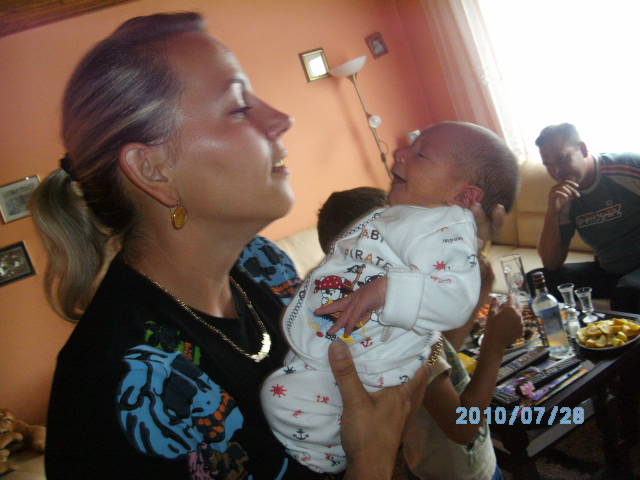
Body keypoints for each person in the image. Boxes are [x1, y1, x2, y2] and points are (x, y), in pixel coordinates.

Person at [31, 12, 433, 480]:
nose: (283, 119)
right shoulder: (118, 386)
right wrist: (372, 460)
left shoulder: (263, 264)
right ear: (154, 170)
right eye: (239, 106)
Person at [260, 122, 520, 473]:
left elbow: (443, 345)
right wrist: (494, 348)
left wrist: (477, 287)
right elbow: (464, 426)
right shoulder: (384, 342)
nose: (401, 153)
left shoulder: (406, 309)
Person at [316, 186, 517, 480]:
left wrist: (479, 297)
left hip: (441, 463)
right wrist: (494, 348)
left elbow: (439, 353)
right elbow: (462, 428)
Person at [530, 123, 640, 313]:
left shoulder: (627, 167)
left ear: (582, 149)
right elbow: (552, 263)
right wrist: (552, 213)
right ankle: (576, 329)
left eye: (562, 159)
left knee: (628, 290)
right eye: (548, 165)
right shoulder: (564, 196)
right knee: (537, 281)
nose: (557, 172)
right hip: (609, 270)